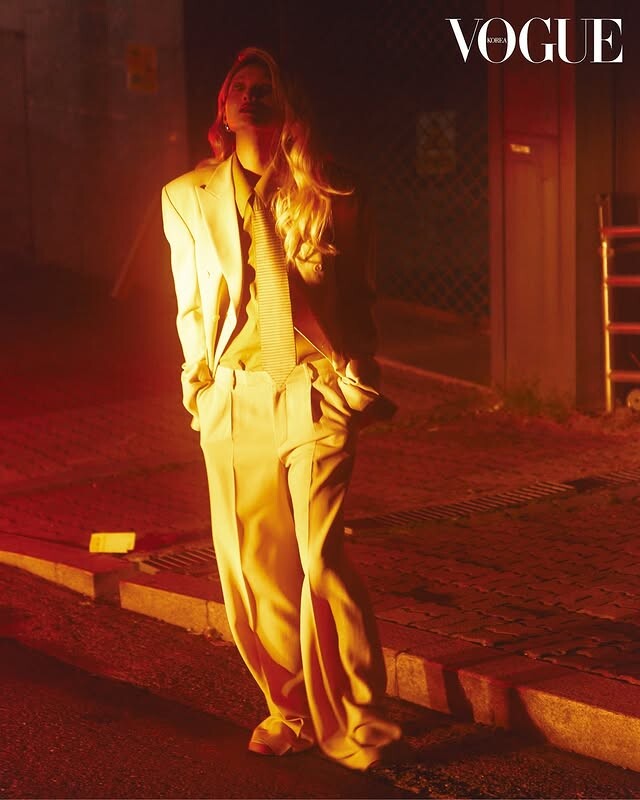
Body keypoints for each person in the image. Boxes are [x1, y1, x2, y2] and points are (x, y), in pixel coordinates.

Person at [161, 46, 402, 771]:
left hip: (313, 389)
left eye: (265, 86)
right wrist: (199, 389)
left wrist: (356, 378)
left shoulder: (334, 190)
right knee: (254, 570)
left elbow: (359, 295)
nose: (251, 95)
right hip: (235, 396)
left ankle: (363, 719)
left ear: (288, 102)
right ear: (222, 106)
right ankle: (289, 709)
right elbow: (191, 303)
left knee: (320, 556)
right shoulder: (185, 196)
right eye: (239, 85)